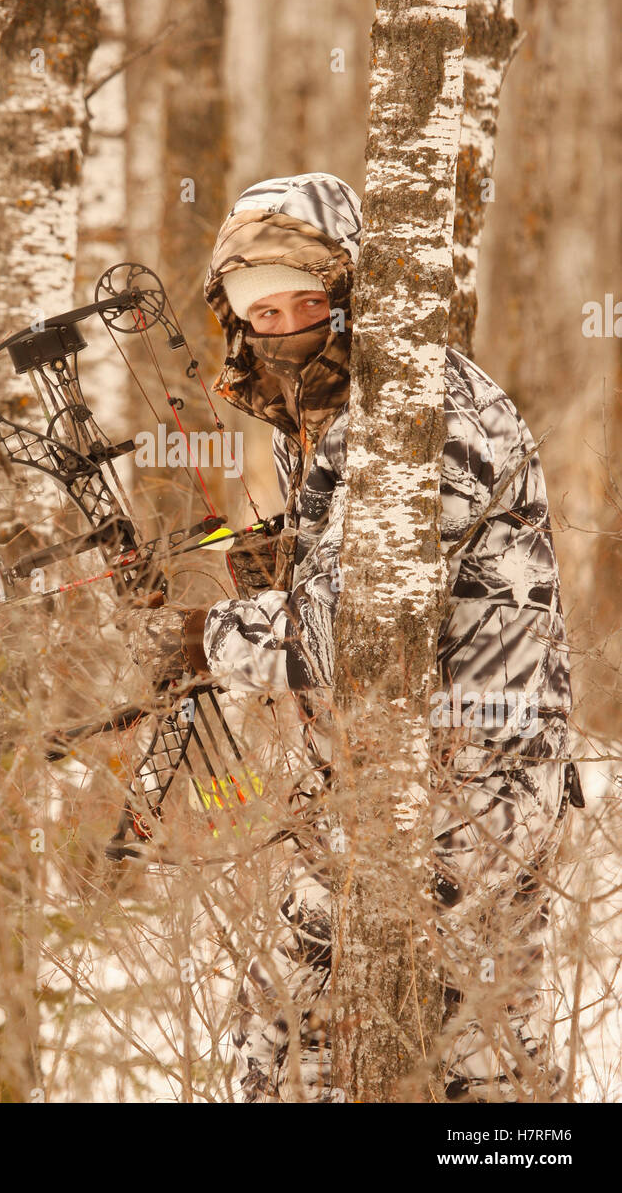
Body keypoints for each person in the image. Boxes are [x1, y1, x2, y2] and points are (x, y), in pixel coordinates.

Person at [124, 171, 584, 1102]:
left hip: (463, 802)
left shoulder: (424, 414)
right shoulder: (351, 411)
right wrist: (295, 556)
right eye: (265, 312)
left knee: (318, 1069)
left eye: (312, 301)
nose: (288, 328)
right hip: (406, 786)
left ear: (356, 295)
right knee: (450, 1073)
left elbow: (358, 641)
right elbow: (392, 580)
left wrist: (212, 633)